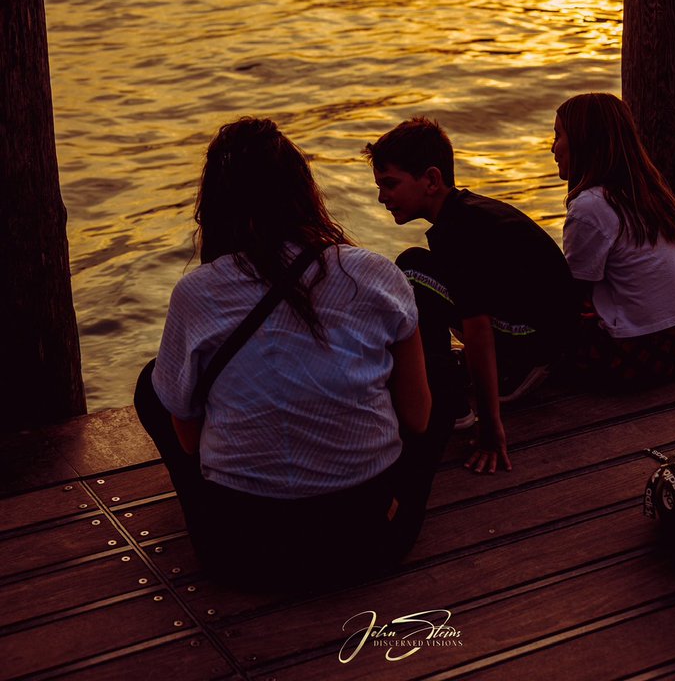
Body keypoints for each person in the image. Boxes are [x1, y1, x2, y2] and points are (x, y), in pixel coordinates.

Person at [134, 117, 449, 592]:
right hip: (368, 540)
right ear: (304, 191)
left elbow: (189, 442)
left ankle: (207, 508)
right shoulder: (376, 274)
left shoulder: (196, 294)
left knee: (153, 384)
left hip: (241, 553)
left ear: (215, 206)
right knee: (436, 367)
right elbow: (419, 420)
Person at [364, 117, 580, 476]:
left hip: (536, 339)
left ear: (431, 180)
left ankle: (450, 402)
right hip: (548, 330)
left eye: (390, 184)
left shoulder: (457, 231)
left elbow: (476, 329)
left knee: (412, 271)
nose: (382, 197)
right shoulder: (468, 212)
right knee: (418, 266)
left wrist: (489, 424)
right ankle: (458, 378)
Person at [552, 93, 675, 390]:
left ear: (583, 141)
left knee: (540, 324)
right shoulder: (650, 193)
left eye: (558, 135)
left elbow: (570, 295)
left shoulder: (591, 206)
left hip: (647, 353)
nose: (553, 148)